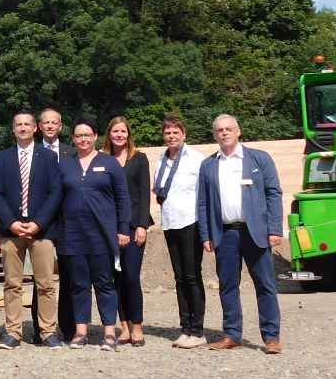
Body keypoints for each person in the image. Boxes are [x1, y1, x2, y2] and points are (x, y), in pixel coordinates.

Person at [197, 113, 284, 354]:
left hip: (255, 231)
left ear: (238, 131)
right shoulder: (208, 165)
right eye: (219, 130)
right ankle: (232, 334)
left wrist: (275, 228)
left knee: (265, 284)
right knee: (228, 285)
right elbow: (203, 203)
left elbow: (273, 193)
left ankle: (271, 337)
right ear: (214, 135)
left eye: (228, 129)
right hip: (224, 234)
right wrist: (206, 234)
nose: (224, 133)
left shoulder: (259, 159)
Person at [55, 120, 130, 351]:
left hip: (102, 235)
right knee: (78, 285)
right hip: (73, 235)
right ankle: (81, 331)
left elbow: (123, 198)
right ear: (73, 139)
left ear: (95, 136)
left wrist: (123, 229)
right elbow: (56, 200)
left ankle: (109, 332)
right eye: (79, 136)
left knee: (104, 283)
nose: (83, 139)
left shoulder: (109, 163)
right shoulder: (65, 166)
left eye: (87, 135)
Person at [0, 111, 63, 349]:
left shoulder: (48, 157)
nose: (22, 128)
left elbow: (55, 193)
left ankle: (48, 331)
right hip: (11, 230)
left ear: (35, 129)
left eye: (27, 124)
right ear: (13, 130)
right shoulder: (3, 157)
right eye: (18, 124)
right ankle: (13, 331)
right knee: (12, 284)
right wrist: (10, 222)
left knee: (46, 283)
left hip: (41, 230)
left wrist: (38, 223)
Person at [154, 114, 207, 349]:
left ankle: (197, 329)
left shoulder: (196, 159)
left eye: (176, 132)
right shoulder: (161, 160)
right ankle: (184, 327)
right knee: (178, 277)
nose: (171, 136)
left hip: (191, 221)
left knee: (191, 275)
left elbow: (204, 192)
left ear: (184, 134)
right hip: (170, 222)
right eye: (167, 132)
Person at [104, 116, 152, 347]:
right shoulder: (102, 159)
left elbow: (144, 194)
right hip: (108, 228)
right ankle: (123, 326)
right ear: (109, 134)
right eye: (115, 131)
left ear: (128, 134)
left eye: (123, 131)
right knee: (116, 278)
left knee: (131, 277)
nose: (119, 135)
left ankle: (137, 325)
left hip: (134, 227)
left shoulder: (139, 159)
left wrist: (142, 224)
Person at [36, 106, 76, 343]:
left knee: (69, 276)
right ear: (39, 127)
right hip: (42, 222)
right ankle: (42, 330)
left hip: (69, 222)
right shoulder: (32, 152)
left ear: (60, 126)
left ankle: (69, 328)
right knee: (41, 278)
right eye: (46, 123)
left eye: (54, 123)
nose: (50, 126)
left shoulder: (71, 152)